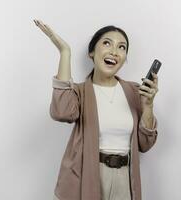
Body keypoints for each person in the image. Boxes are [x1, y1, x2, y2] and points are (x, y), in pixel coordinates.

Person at [34, 19, 159, 200]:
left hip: (124, 180)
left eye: (122, 47)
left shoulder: (134, 92)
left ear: (125, 58)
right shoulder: (80, 92)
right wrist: (65, 52)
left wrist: (148, 106)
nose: (114, 52)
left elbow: (145, 144)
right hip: (86, 176)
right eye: (107, 43)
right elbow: (61, 112)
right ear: (92, 52)